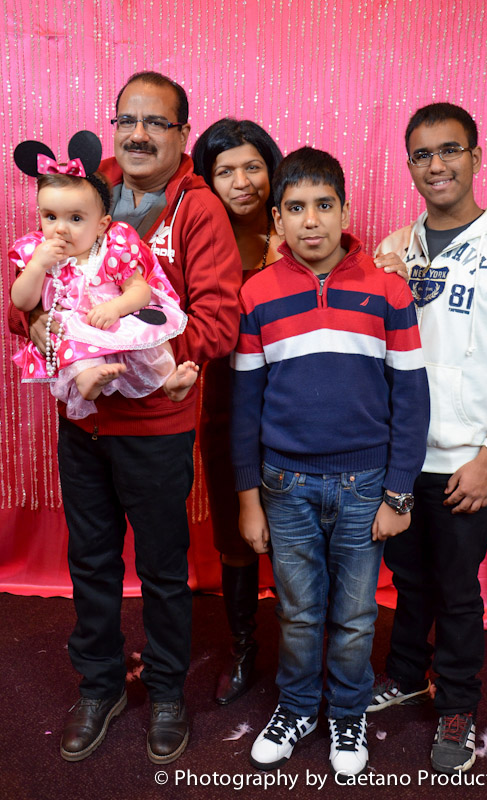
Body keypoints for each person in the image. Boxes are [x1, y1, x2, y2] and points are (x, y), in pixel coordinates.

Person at [8, 72, 241, 764]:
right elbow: (27, 300)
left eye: (156, 122)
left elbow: (218, 318)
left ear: (182, 133)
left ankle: (166, 691)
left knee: (164, 568)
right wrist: (45, 330)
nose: (137, 134)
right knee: (90, 560)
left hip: (156, 426)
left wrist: (160, 362)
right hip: (82, 423)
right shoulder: (83, 187)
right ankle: (100, 685)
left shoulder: (197, 209)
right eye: (126, 121)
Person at [231, 147, 430, 778]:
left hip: (365, 485)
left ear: (345, 211)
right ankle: (296, 707)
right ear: (278, 219)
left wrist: (398, 494)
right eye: (295, 208)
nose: (311, 220)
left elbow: (412, 398)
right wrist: (248, 499)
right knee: (297, 611)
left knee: (354, 615)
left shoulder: (388, 290)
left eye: (324, 205)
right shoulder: (257, 295)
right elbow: (245, 405)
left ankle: (347, 712)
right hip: (284, 485)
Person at [372, 102, 487, 775]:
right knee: (407, 578)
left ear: (476, 157)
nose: (436, 165)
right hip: (399, 456)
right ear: (409, 165)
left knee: (455, 588)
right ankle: (405, 675)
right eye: (422, 155)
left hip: (466, 460)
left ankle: (457, 704)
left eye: (449, 150)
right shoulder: (397, 247)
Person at [191, 119, 283, 705]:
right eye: (225, 171)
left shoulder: (297, 225)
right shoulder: (201, 237)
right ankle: (243, 646)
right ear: (207, 180)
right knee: (236, 531)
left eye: (253, 166)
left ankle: (307, 652)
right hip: (227, 401)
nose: (242, 182)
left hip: (300, 402)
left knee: (304, 528)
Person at [10, 133, 198, 419]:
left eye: (75, 219)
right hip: (77, 325)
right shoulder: (38, 254)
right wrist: (36, 266)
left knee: (150, 328)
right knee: (66, 334)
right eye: (50, 217)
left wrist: (117, 308)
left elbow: (141, 291)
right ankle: (87, 379)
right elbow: (22, 302)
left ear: (101, 225)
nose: (60, 229)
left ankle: (169, 380)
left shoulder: (113, 248)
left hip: (116, 318)